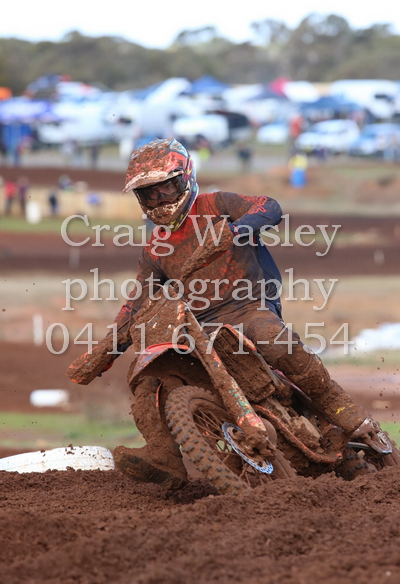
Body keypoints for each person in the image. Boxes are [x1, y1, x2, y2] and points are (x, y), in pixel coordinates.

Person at [67, 138, 374, 491]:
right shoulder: (155, 250)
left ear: (185, 178)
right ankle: (164, 456)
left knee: (271, 338)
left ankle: (341, 409)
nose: (160, 199)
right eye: (149, 193)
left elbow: (269, 206)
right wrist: (103, 351)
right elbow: (137, 303)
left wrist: (237, 229)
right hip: (200, 326)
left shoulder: (218, 205)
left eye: (167, 188)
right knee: (148, 376)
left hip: (248, 305)